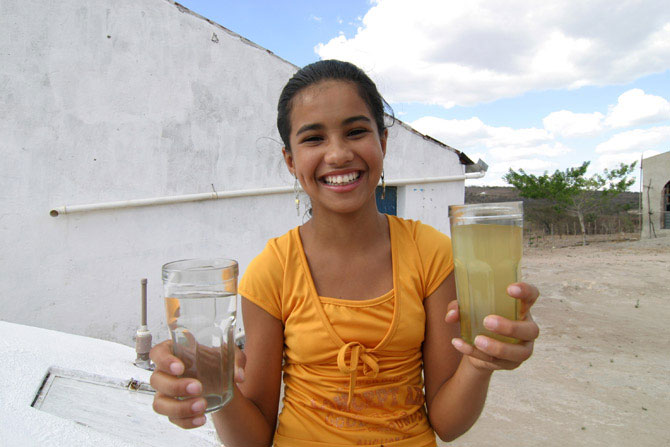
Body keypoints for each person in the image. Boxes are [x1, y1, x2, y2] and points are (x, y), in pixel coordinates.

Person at [149, 60, 540, 447]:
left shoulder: (431, 254)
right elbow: (253, 439)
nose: (337, 154)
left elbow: (448, 423)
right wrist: (214, 387)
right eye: (313, 138)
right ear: (290, 160)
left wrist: (479, 360)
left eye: (355, 131)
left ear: (382, 143)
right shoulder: (273, 269)